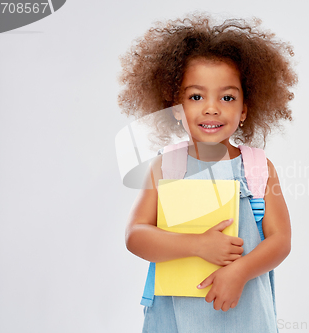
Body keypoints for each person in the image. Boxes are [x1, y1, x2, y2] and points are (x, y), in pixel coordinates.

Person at [117, 13, 297, 333]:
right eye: (196, 96)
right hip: (173, 315)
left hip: (244, 314)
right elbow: (136, 235)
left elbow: (280, 240)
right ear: (176, 108)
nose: (211, 108)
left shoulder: (257, 168)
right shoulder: (166, 167)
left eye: (227, 97)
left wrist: (240, 271)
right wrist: (197, 245)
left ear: (244, 110)